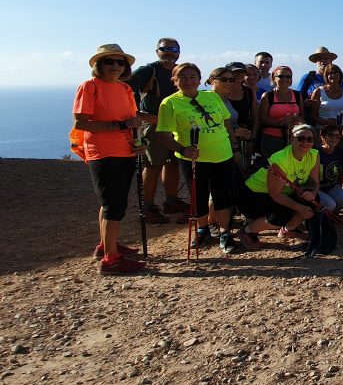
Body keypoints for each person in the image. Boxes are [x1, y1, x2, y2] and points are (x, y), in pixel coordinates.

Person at [72, 44, 156, 274]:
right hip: (103, 152)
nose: (116, 66)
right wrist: (121, 125)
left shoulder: (124, 89)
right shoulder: (89, 87)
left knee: (112, 202)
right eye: (110, 61)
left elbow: (131, 118)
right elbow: (82, 122)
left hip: (125, 150)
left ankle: (106, 246)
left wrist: (138, 142)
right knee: (113, 205)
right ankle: (111, 260)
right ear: (99, 65)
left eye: (121, 62)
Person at [157, 62, 239, 253]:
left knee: (223, 196)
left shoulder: (212, 97)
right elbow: (163, 136)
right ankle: (202, 230)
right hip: (194, 159)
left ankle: (225, 232)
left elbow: (226, 123)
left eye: (193, 77)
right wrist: (183, 149)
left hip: (222, 154)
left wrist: (234, 146)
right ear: (175, 80)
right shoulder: (170, 103)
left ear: (200, 80)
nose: (188, 81)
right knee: (198, 195)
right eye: (182, 77)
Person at [237, 123, 320, 249]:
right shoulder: (280, 159)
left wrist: (312, 194)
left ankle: (288, 230)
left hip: (283, 192)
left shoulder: (314, 155)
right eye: (300, 138)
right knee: (281, 216)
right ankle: (247, 231)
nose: (305, 142)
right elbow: (275, 194)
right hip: (254, 194)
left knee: (313, 201)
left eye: (309, 139)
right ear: (292, 139)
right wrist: (300, 208)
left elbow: (315, 183)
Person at [127, 37, 183, 223]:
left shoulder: (180, 71)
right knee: (153, 166)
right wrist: (139, 114)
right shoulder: (148, 71)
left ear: (179, 52)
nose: (169, 52)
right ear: (157, 51)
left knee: (173, 163)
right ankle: (148, 206)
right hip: (154, 126)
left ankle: (171, 201)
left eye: (173, 49)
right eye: (164, 48)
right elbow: (124, 90)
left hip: (175, 126)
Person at [259, 65, 304, 158]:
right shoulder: (268, 96)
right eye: (281, 76)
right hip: (272, 138)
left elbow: (302, 116)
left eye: (288, 76)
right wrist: (281, 122)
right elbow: (262, 119)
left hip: (293, 138)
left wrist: (297, 120)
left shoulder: (297, 95)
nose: (285, 79)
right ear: (273, 78)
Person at [222, 62, 258, 167]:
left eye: (242, 72)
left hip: (245, 138)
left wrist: (252, 139)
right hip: (225, 138)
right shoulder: (219, 93)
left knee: (243, 170)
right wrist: (234, 132)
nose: (239, 75)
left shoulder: (249, 92)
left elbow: (255, 117)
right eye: (235, 72)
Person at [316, 124, 343, 213]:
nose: (334, 138)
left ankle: (330, 215)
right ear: (322, 137)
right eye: (330, 135)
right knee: (330, 204)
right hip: (316, 189)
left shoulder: (339, 152)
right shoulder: (316, 152)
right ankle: (317, 216)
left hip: (331, 187)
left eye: (337, 136)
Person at [310, 64, 343, 130]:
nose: (333, 75)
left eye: (336, 73)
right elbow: (313, 115)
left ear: (340, 75)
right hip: (322, 131)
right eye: (330, 73)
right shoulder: (318, 92)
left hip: (341, 131)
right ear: (326, 76)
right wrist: (326, 122)